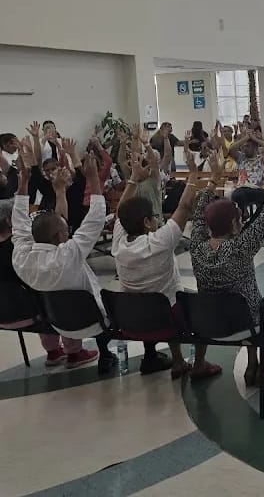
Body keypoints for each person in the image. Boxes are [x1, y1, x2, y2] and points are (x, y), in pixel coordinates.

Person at [112, 149, 219, 379]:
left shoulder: (118, 245)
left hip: (132, 321)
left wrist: (133, 179)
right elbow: (183, 207)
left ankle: (179, 361)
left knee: (166, 297)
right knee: (192, 304)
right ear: (148, 222)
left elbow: (121, 210)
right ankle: (199, 364)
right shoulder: (160, 242)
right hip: (166, 320)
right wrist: (193, 174)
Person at [11, 139, 116, 374]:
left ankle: (58, 352)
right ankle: (101, 353)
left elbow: (19, 224)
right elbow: (96, 218)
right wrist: (93, 180)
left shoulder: (21, 258)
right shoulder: (69, 254)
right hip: (91, 323)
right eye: (64, 227)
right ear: (61, 234)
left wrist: (23, 183)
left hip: (51, 320)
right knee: (100, 296)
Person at [190, 141, 264, 387]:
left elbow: (200, 212)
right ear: (233, 226)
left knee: (249, 307)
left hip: (211, 320)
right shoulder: (241, 247)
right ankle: (260, 368)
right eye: (239, 220)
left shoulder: (196, 247)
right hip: (244, 321)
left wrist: (214, 177)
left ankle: (253, 364)